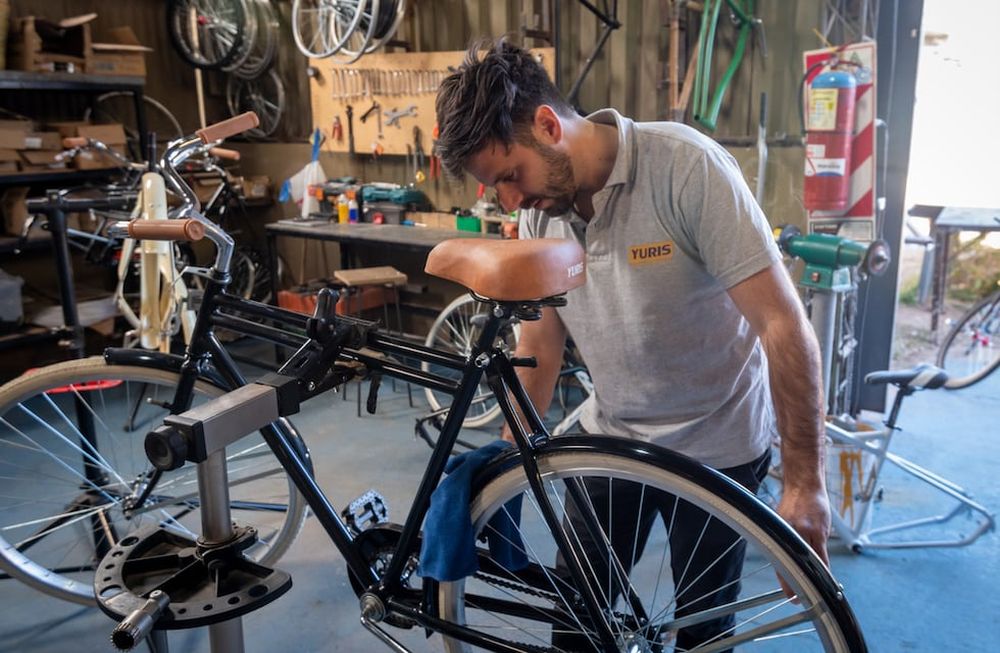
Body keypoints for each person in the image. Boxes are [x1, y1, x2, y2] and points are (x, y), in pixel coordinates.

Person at [435, 38, 831, 650]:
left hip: (719, 443)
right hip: (612, 436)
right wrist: (510, 454)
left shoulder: (687, 169)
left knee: (701, 629)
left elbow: (783, 326)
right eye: (497, 187)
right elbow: (540, 340)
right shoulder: (542, 210)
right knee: (577, 617)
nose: (510, 201)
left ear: (548, 125)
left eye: (510, 176)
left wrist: (805, 485)